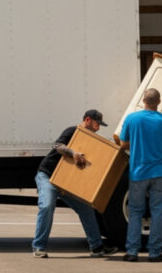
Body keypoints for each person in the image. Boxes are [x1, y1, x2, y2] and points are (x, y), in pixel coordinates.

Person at [32, 110, 118, 259]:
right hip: (48, 176)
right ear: (88, 120)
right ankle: (38, 247)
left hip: (66, 183)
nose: (98, 128)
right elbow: (57, 145)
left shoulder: (91, 140)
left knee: (86, 209)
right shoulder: (73, 131)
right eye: (97, 124)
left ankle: (97, 248)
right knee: (47, 206)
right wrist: (73, 153)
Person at [118, 88, 162, 263]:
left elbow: (122, 144)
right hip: (159, 172)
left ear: (143, 100)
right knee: (158, 212)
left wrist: (137, 143)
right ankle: (155, 253)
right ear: (158, 102)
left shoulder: (132, 119)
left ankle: (132, 252)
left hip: (138, 172)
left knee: (135, 212)